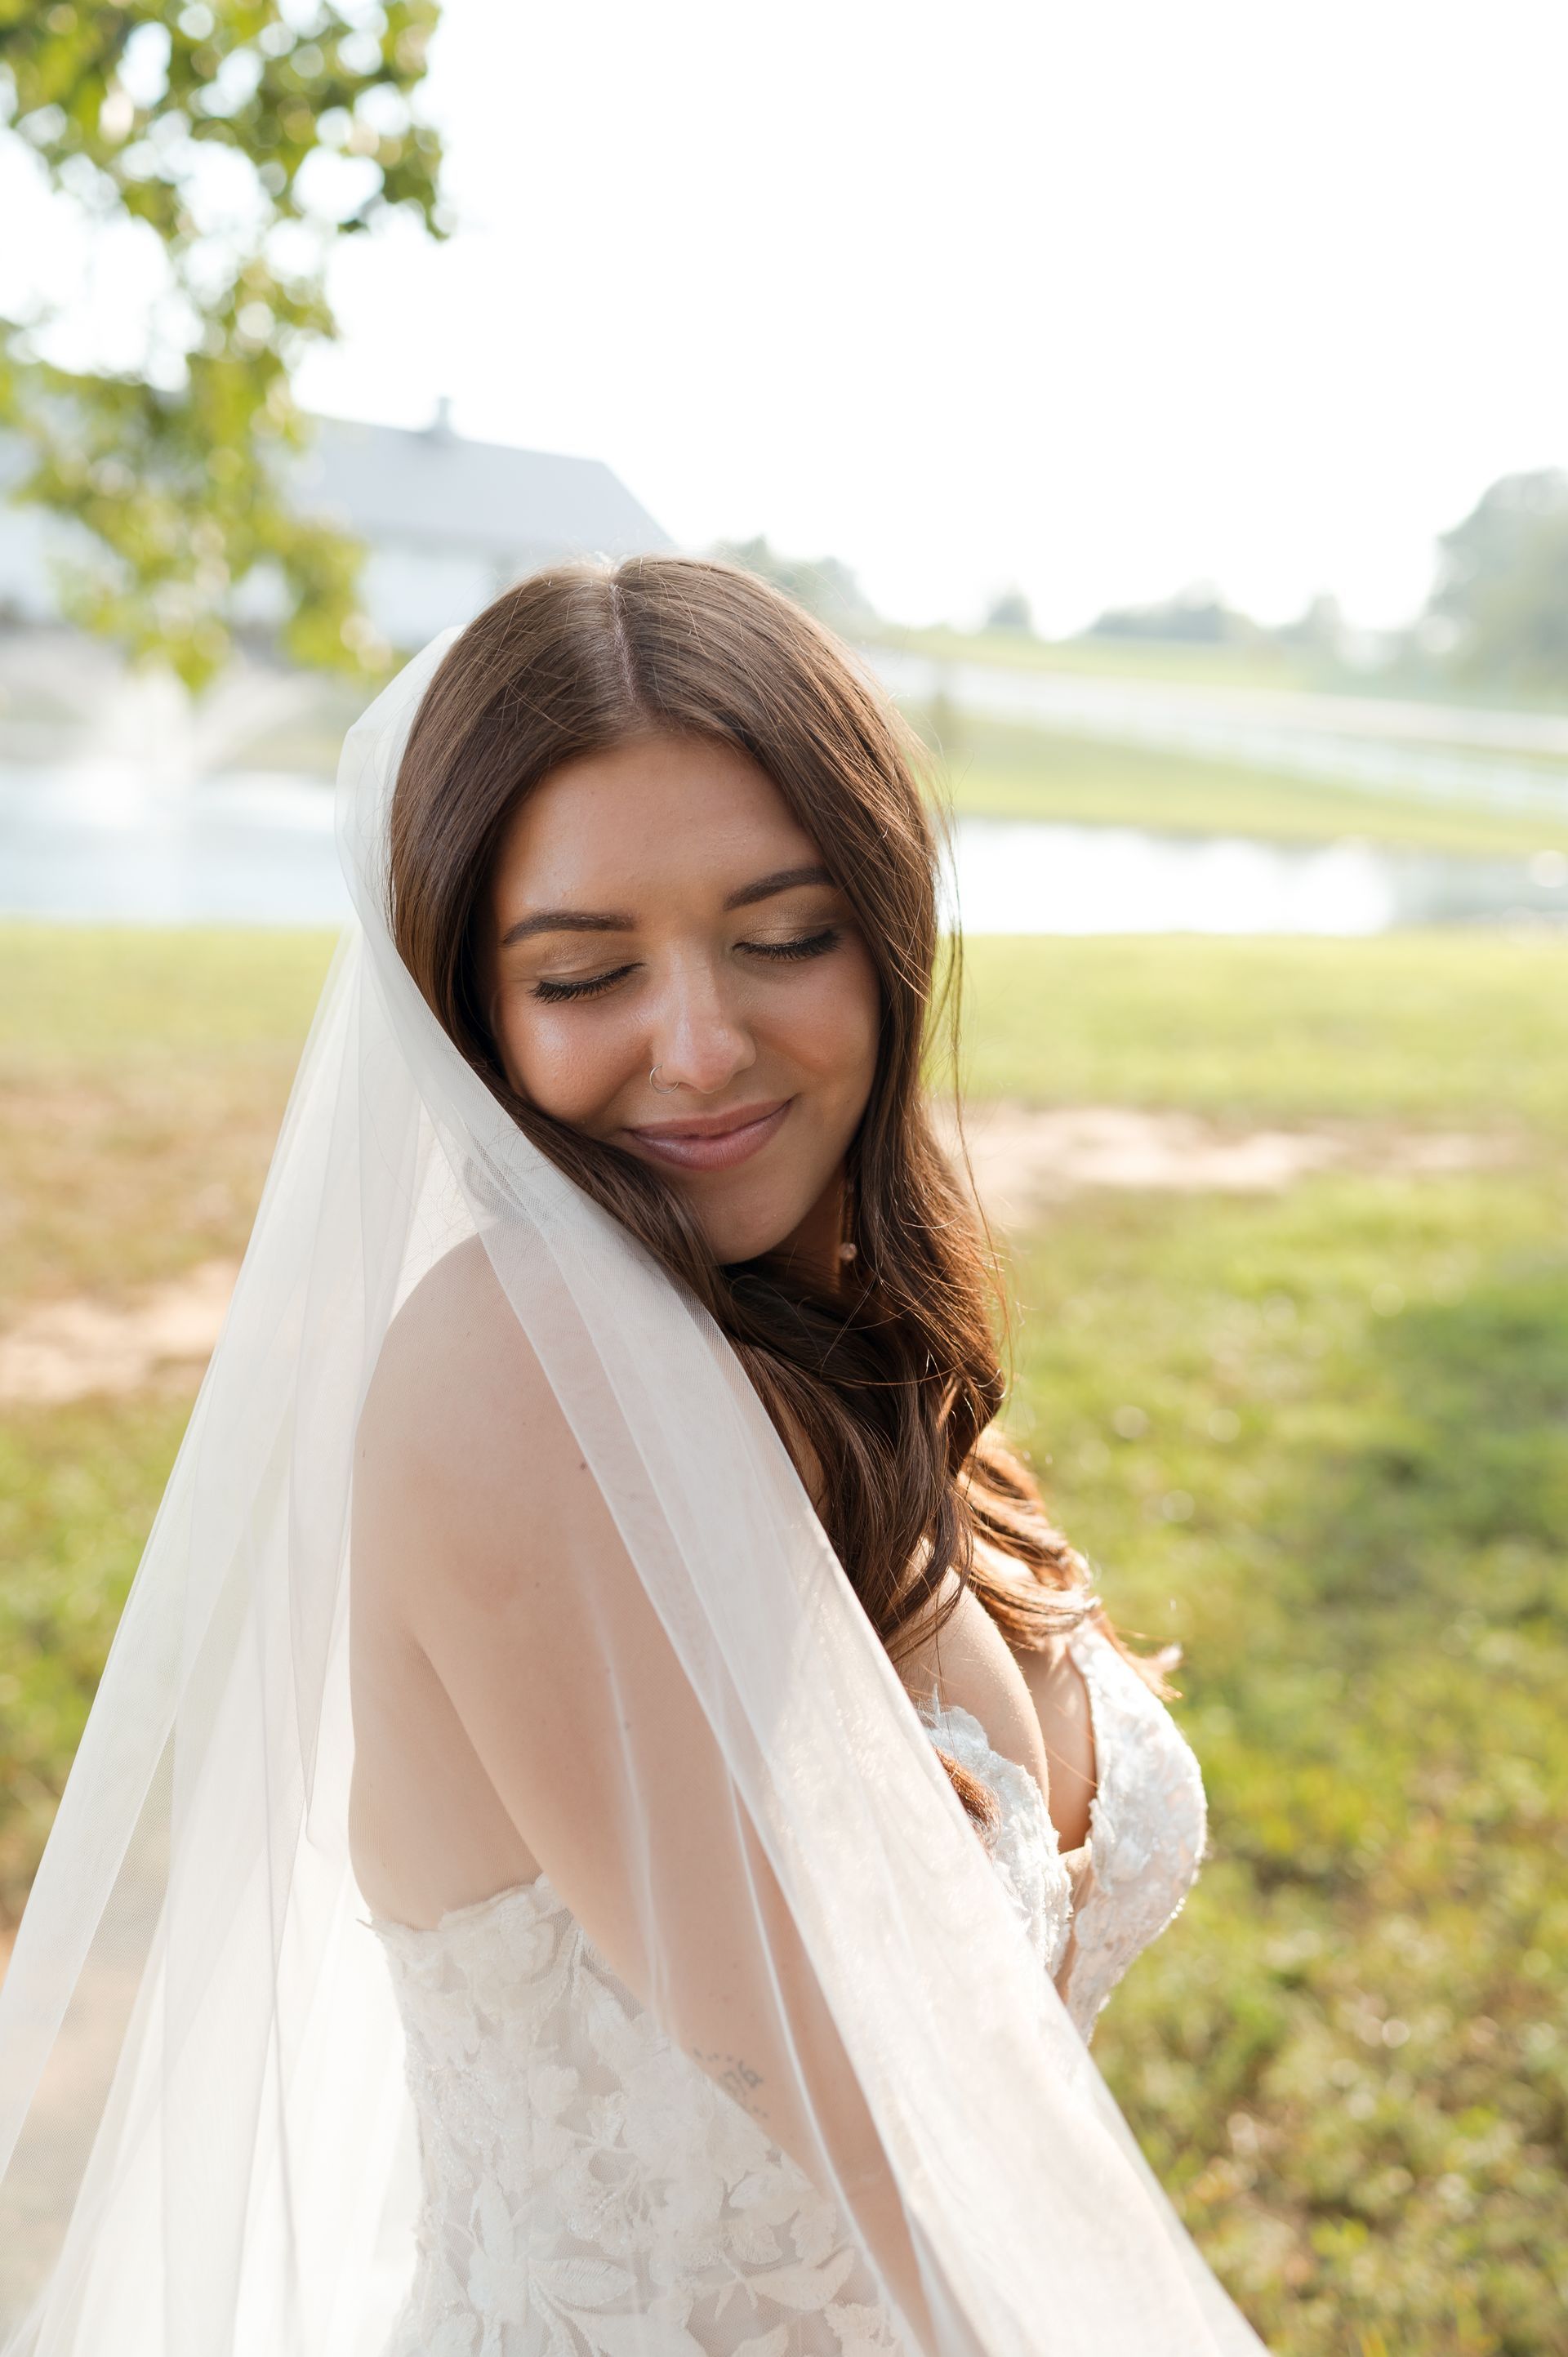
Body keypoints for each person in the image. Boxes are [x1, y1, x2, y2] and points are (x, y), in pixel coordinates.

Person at [0, 558, 1267, 2357]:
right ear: (476, 1017)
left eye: (785, 936)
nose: (700, 1045)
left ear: (891, 935)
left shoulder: (848, 1343)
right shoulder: (510, 1369)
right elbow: (926, 2166)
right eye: (587, 971)